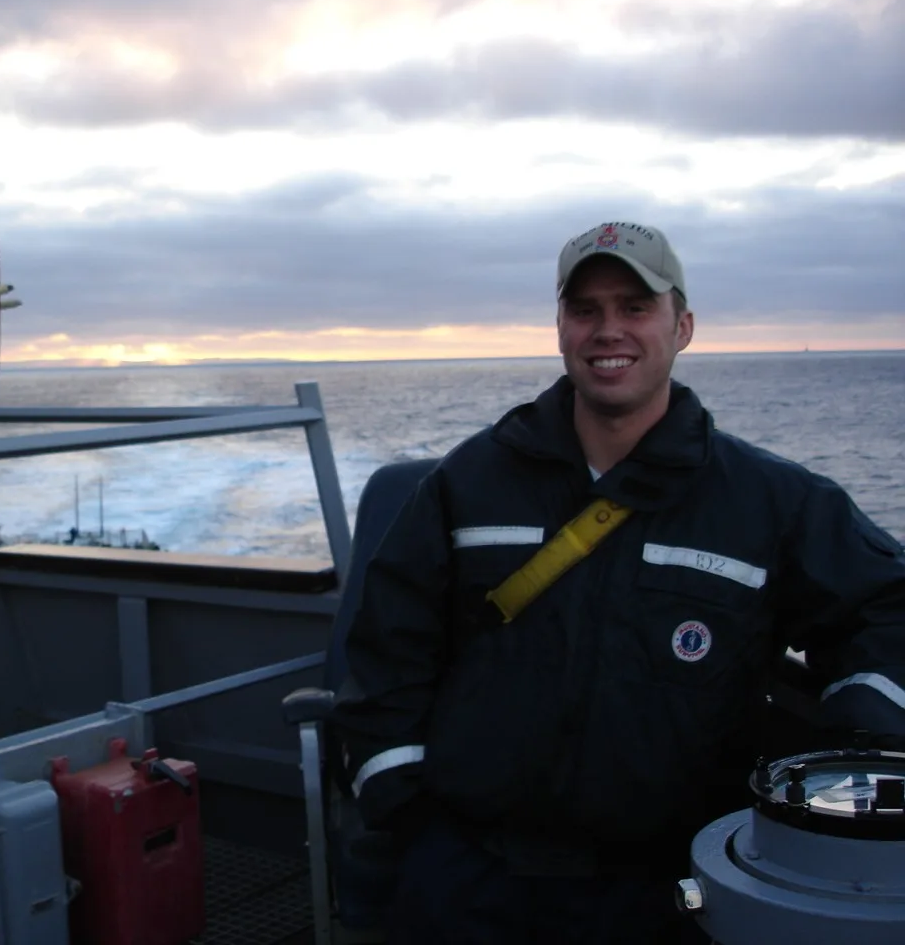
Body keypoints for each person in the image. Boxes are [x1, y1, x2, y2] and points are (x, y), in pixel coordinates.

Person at [330, 221, 905, 943]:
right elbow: (385, 651)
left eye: (635, 307)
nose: (609, 331)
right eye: (587, 310)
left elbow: (887, 611)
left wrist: (849, 754)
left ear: (682, 326)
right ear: (561, 328)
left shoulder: (771, 502)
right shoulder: (466, 485)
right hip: (471, 873)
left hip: (672, 884)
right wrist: (404, 814)